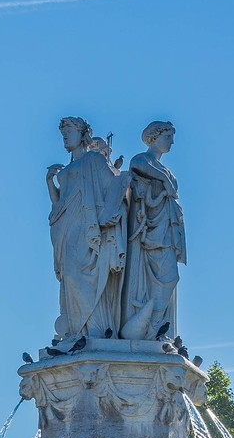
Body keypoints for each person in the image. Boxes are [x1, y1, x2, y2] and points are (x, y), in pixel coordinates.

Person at [46, 116, 128, 341]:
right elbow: (59, 206)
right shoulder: (67, 169)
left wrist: (109, 217)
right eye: (63, 134)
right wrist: (50, 183)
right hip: (66, 228)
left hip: (88, 227)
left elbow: (114, 187)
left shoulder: (94, 159)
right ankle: (76, 331)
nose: (65, 136)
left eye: (69, 132)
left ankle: (95, 329)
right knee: (70, 278)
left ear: (82, 134)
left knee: (84, 275)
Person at [120, 121, 186, 341]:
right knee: (165, 279)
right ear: (154, 137)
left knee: (171, 279)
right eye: (167, 136)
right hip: (148, 233)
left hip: (166, 231)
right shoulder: (143, 159)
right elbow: (137, 165)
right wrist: (164, 179)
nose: (172, 141)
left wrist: (166, 180)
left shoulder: (166, 171)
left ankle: (156, 328)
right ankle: (150, 328)